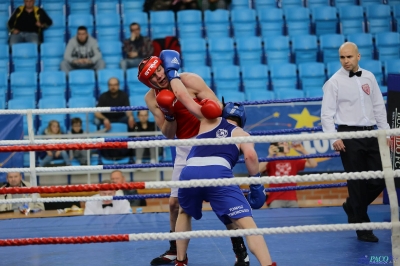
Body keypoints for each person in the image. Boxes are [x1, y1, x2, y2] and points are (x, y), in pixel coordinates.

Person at [137, 51, 251, 266]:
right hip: (183, 146)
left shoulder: (190, 80)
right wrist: (169, 113)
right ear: (147, 82)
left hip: (208, 142)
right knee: (174, 203)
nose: (159, 76)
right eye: (152, 76)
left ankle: (240, 251)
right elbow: (168, 133)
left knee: (223, 202)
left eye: (159, 69)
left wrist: (203, 108)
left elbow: (217, 109)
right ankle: (175, 251)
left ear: (164, 66)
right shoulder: (151, 98)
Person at [160, 66, 275, 265]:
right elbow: (250, 156)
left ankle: (180, 261)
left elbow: (182, 96)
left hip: (190, 171)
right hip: (218, 173)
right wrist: (256, 184)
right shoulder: (241, 134)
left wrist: (172, 73)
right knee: (249, 226)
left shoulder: (207, 119)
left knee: (184, 212)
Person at [321, 42, 391, 243]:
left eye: (349, 57)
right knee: (357, 183)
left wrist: (385, 133)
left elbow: (378, 106)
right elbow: (326, 114)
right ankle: (363, 229)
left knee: (380, 177)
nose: (346, 61)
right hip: (348, 136)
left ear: (358, 56)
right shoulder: (334, 82)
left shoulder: (369, 76)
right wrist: (334, 137)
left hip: (371, 134)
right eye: (342, 57)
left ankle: (352, 206)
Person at [259, 142, 318, 208]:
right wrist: (269, 156)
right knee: (275, 218)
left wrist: (303, 150)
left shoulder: (293, 160)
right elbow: (257, 170)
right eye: (282, 143)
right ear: (276, 147)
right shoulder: (271, 161)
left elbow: (313, 164)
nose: (286, 145)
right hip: (275, 199)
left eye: (286, 143)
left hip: (292, 199)